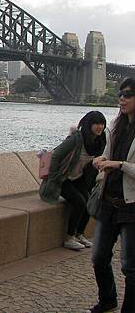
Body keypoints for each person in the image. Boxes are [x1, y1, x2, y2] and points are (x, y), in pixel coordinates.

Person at [89, 78, 135, 313]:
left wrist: (120, 165)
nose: (122, 99)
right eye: (121, 94)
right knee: (98, 257)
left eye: (128, 94)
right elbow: (107, 155)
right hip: (108, 200)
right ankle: (108, 299)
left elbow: (124, 165)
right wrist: (101, 161)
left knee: (129, 265)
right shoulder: (116, 127)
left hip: (132, 205)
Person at [39, 111, 107, 250]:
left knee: (89, 202)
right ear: (89, 124)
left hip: (79, 178)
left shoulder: (100, 140)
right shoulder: (76, 139)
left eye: (102, 123)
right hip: (64, 178)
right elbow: (56, 155)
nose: (100, 127)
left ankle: (79, 234)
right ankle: (69, 238)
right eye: (96, 123)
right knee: (79, 202)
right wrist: (53, 178)